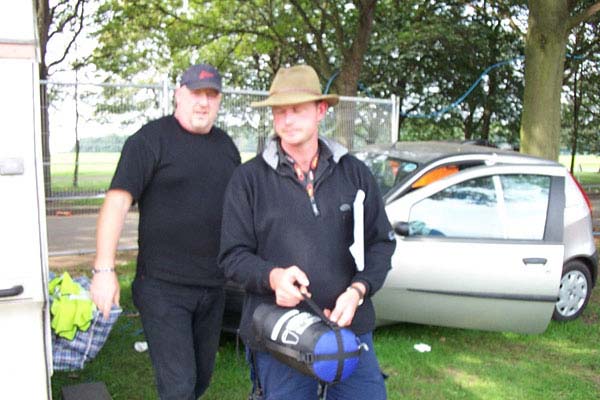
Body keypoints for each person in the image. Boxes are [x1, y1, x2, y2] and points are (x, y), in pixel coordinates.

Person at [218, 64, 395, 400]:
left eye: (297, 109)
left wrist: (358, 291)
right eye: (279, 111)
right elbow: (232, 257)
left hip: (349, 328)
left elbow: (381, 244)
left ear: (321, 110)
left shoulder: (354, 173)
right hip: (280, 332)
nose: (287, 120)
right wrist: (273, 277)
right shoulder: (248, 180)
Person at [90, 63, 241, 400]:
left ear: (219, 101)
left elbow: (240, 210)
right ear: (178, 95)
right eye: (196, 93)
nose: (203, 102)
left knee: (200, 380)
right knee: (179, 386)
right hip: (163, 288)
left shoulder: (226, 147)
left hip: (213, 287)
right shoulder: (149, 140)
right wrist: (104, 271)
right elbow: (117, 203)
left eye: (211, 95)